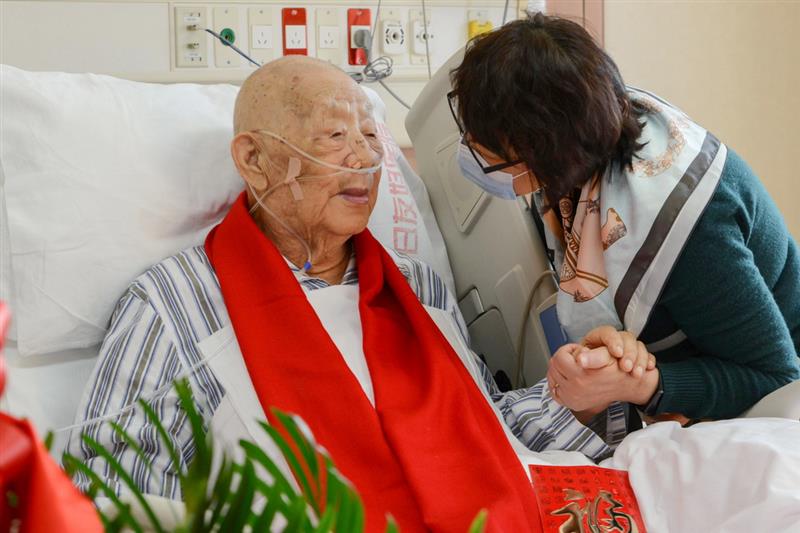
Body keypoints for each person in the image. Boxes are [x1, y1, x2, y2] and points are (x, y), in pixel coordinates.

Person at [66, 56, 628, 533]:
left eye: (369, 137)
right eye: (335, 137)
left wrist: (574, 391)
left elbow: (484, 426)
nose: (365, 159)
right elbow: (108, 484)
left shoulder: (418, 286)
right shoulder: (174, 303)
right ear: (253, 161)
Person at [448, 12, 800, 424]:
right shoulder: (584, 143)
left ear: (543, 151)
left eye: (487, 148)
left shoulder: (689, 228)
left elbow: (776, 378)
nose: (471, 148)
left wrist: (646, 385)